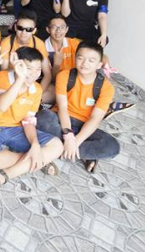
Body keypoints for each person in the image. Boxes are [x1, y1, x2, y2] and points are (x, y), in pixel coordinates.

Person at [0, 47, 62, 194]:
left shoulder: (36, 89)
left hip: (16, 129)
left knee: (57, 146)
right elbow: (2, 105)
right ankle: (38, 161)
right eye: (29, 68)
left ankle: (5, 175)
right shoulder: (2, 77)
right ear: (17, 65)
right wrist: (20, 79)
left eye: (38, 69)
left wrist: (35, 144)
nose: (34, 74)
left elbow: (28, 120)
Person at [36, 42, 121, 173]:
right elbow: (62, 108)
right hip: (60, 120)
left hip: (83, 125)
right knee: (43, 116)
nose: (84, 63)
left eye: (91, 60)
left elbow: (95, 118)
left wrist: (75, 141)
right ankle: (82, 154)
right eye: (81, 58)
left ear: (99, 65)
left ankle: (58, 149)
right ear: (75, 58)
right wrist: (68, 136)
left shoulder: (106, 88)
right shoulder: (64, 76)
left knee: (112, 146)